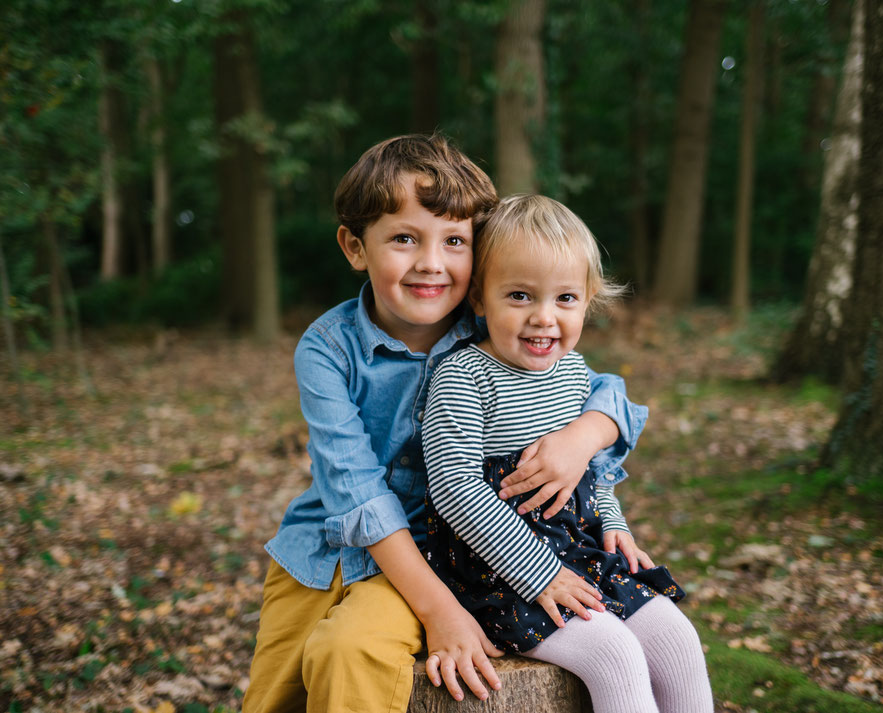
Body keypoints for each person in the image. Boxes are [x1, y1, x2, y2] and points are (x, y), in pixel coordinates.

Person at [242, 135, 648, 713]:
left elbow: (596, 384)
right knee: (272, 698)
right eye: (405, 238)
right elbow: (355, 489)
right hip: (322, 551)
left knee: (346, 654)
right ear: (355, 247)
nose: (431, 262)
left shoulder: (492, 321)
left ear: (477, 256)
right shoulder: (328, 349)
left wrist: (584, 436)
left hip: (437, 555)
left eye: (455, 241)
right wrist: (441, 612)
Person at [422, 194, 713, 713]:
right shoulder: (464, 376)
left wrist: (614, 523)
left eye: (565, 299)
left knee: (677, 640)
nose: (543, 318)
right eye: (519, 296)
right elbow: (454, 487)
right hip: (496, 568)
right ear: (479, 299)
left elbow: (595, 471)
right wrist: (539, 572)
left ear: (588, 299)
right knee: (615, 655)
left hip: (578, 552)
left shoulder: (575, 373)